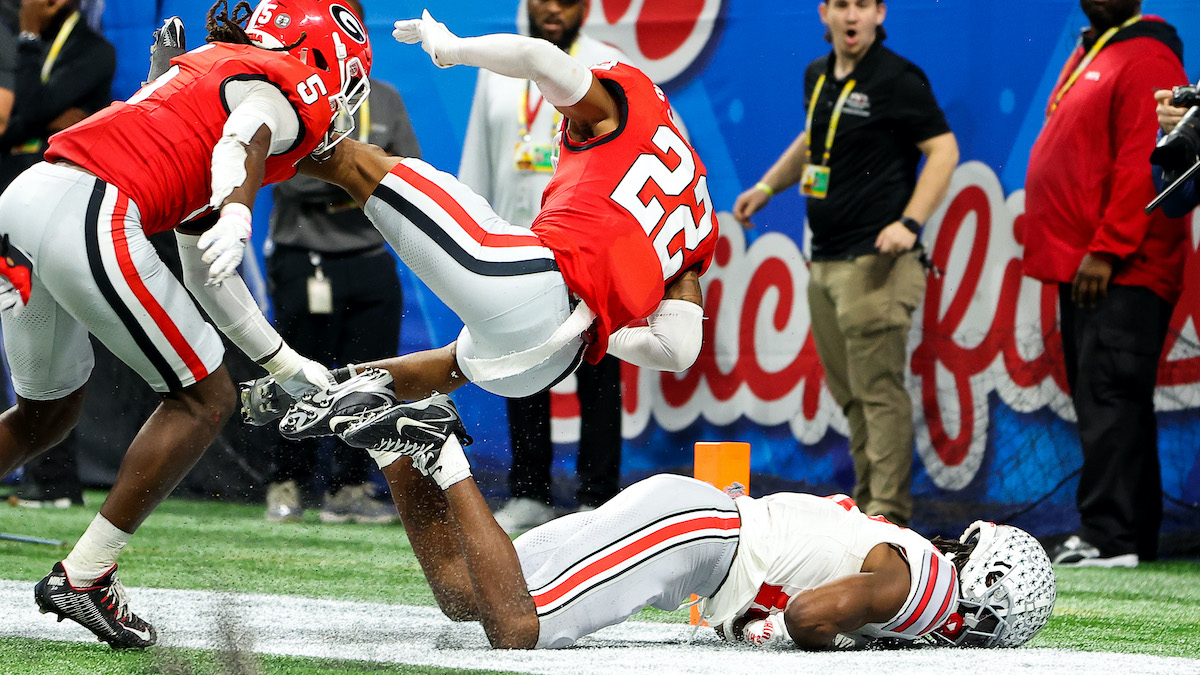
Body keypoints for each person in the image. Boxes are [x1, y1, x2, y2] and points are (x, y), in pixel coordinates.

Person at [0, 0, 371, 648]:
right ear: (325, 56)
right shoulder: (288, 88)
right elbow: (247, 134)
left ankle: (85, 575)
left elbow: (207, 274)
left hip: (26, 202)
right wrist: (237, 210)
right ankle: (85, 576)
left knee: (45, 412)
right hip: (88, 206)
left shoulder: (213, 74)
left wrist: (285, 363)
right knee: (205, 397)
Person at [242, 10, 715, 451]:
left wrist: (454, 48)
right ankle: (327, 392)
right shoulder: (697, 221)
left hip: (530, 280)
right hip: (546, 362)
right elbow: (678, 351)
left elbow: (538, 57)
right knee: (450, 366)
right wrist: (600, 336)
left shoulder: (621, 104)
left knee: (359, 164)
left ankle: (227, 115)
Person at [320, 395, 1057, 650]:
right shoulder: (922, 587)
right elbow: (810, 615)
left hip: (698, 524)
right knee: (517, 628)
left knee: (467, 595)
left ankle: (397, 446)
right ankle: (444, 450)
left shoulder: (916, 564)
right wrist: (773, 631)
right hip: (699, 533)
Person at [730, 0, 958, 527]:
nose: (851, 16)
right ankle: (867, 512)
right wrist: (767, 186)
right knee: (851, 395)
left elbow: (944, 151)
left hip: (876, 262)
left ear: (879, 13)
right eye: (841, 5)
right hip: (825, 260)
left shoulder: (899, 77)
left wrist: (911, 222)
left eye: (862, 5)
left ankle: (889, 515)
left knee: (879, 392)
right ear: (824, 13)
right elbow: (816, 138)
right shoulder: (818, 74)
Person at [1021, 0, 1188, 568]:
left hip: (1121, 266)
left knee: (1111, 394)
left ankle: (1110, 535)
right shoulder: (1099, 46)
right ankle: (1125, 534)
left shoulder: (1144, 55)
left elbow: (1149, 159)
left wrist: (1107, 250)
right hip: (1092, 264)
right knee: (1108, 396)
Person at [459, 0, 626, 533]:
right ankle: (530, 492)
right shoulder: (496, 71)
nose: (554, 9)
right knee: (525, 368)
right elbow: (477, 164)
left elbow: (648, 155)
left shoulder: (611, 67)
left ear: (586, 8)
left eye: (568, 0)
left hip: (592, 251)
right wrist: (473, 247)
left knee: (600, 370)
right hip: (518, 247)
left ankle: (597, 497)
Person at [261, 0, 420, 525]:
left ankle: (350, 486)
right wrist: (364, 184)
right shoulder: (287, 97)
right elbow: (291, 178)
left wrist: (346, 183)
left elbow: (409, 176)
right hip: (303, 256)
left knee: (370, 377)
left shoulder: (387, 99)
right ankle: (287, 481)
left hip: (371, 258)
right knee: (300, 374)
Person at [0, 0, 114, 509]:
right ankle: (36, 477)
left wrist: (25, 43)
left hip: (55, 203)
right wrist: (34, 114)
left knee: (48, 334)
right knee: (18, 333)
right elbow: (21, 116)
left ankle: (55, 481)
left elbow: (23, 108)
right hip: (14, 196)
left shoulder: (94, 51)